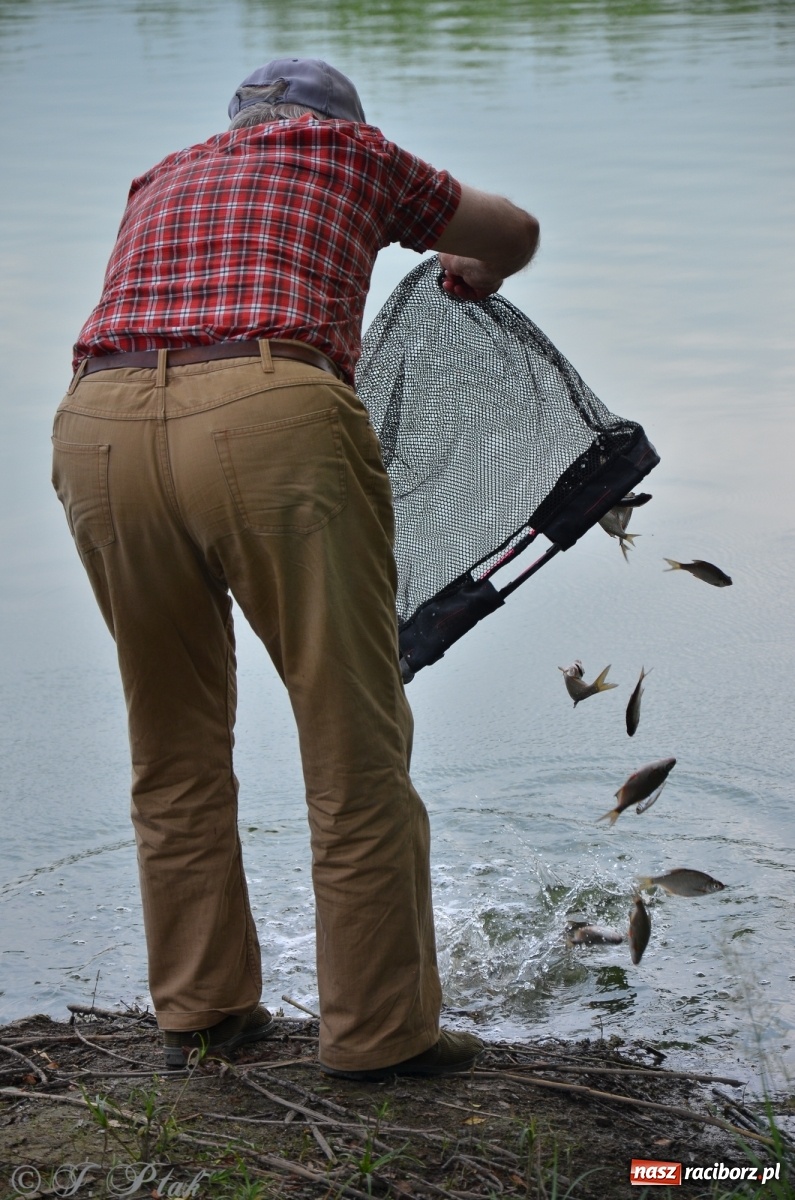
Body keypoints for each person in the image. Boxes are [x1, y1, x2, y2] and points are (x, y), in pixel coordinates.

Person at [52, 58, 539, 1080]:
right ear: (335, 121)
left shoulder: (163, 173)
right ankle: (378, 1037)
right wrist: (471, 273)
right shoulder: (346, 149)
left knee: (170, 734)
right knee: (350, 733)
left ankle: (202, 1013)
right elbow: (511, 231)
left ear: (235, 124)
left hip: (99, 425)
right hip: (269, 413)